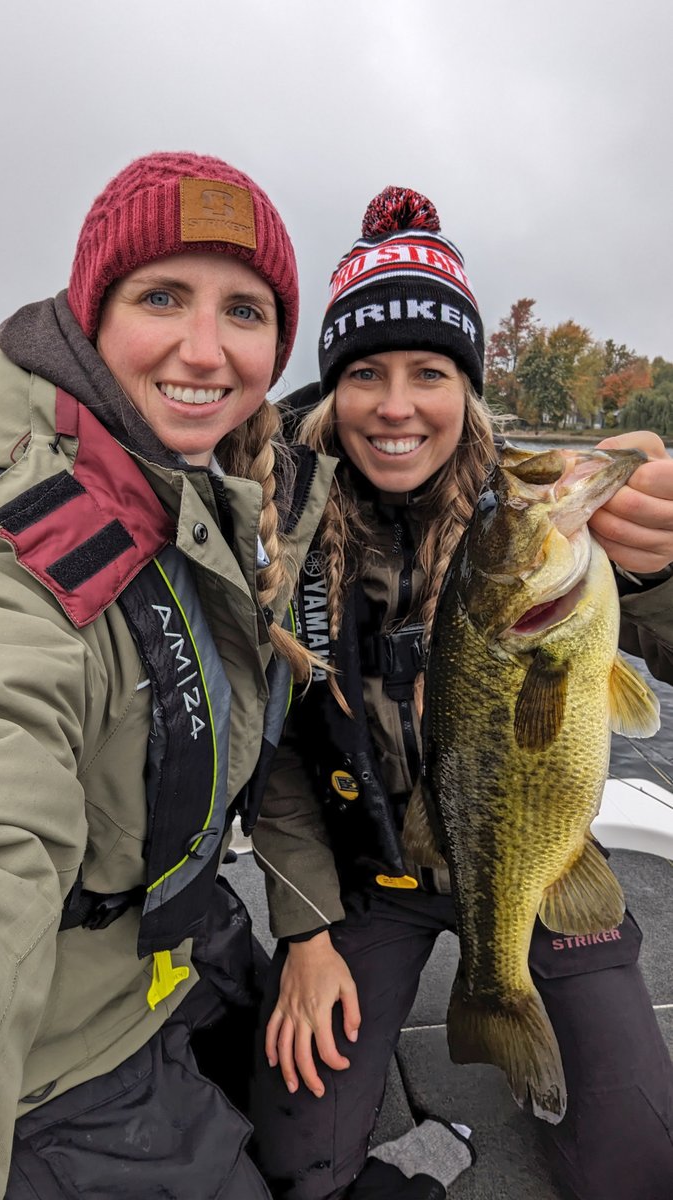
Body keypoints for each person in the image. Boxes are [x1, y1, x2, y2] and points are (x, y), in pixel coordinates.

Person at [249, 186, 673, 1200]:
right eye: (365, 375)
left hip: (537, 850)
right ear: (332, 390)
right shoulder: (276, 532)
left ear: (467, 387)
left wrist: (657, 570)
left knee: (644, 1166)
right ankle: (460, 1059)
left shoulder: (536, 511)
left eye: (430, 372)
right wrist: (303, 930)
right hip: (374, 880)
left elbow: (649, 618)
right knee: (298, 1163)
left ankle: (555, 1066)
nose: (397, 406)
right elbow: (267, 756)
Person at [0, 150, 336, 1200]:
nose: (205, 348)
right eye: (162, 296)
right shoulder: (29, 535)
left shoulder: (215, 487)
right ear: (88, 315)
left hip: (171, 948)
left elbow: (249, 739)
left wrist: (311, 922)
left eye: (244, 310)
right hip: (66, 1055)